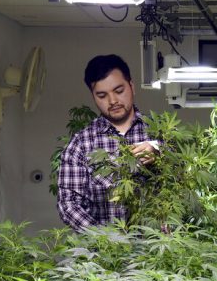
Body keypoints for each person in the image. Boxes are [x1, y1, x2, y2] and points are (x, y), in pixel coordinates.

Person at [57, 54, 158, 231]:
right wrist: (106, 240)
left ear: (132, 87)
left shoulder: (159, 131)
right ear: (93, 96)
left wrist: (159, 151)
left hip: (161, 252)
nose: (113, 101)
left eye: (119, 91)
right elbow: (68, 205)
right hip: (107, 255)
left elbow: (185, 171)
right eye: (102, 95)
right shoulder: (81, 145)